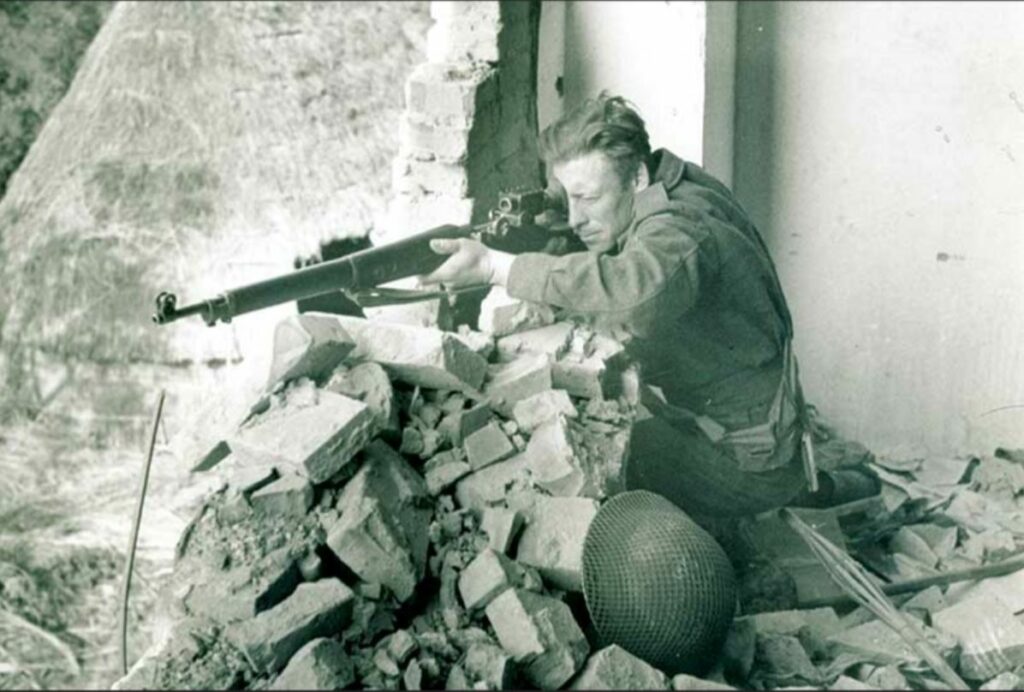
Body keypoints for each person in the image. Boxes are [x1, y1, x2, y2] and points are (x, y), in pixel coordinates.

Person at [421, 92, 872, 525]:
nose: (575, 218)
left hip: (748, 459)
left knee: (600, 448)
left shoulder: (680, 227)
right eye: (567, 197)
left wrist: (496, 267)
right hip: (756, 421)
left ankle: (791, 500)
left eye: (588, 198)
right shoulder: (675, 181)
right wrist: (560, 222)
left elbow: (635, 294)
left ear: (636, 177)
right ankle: (821, 487)